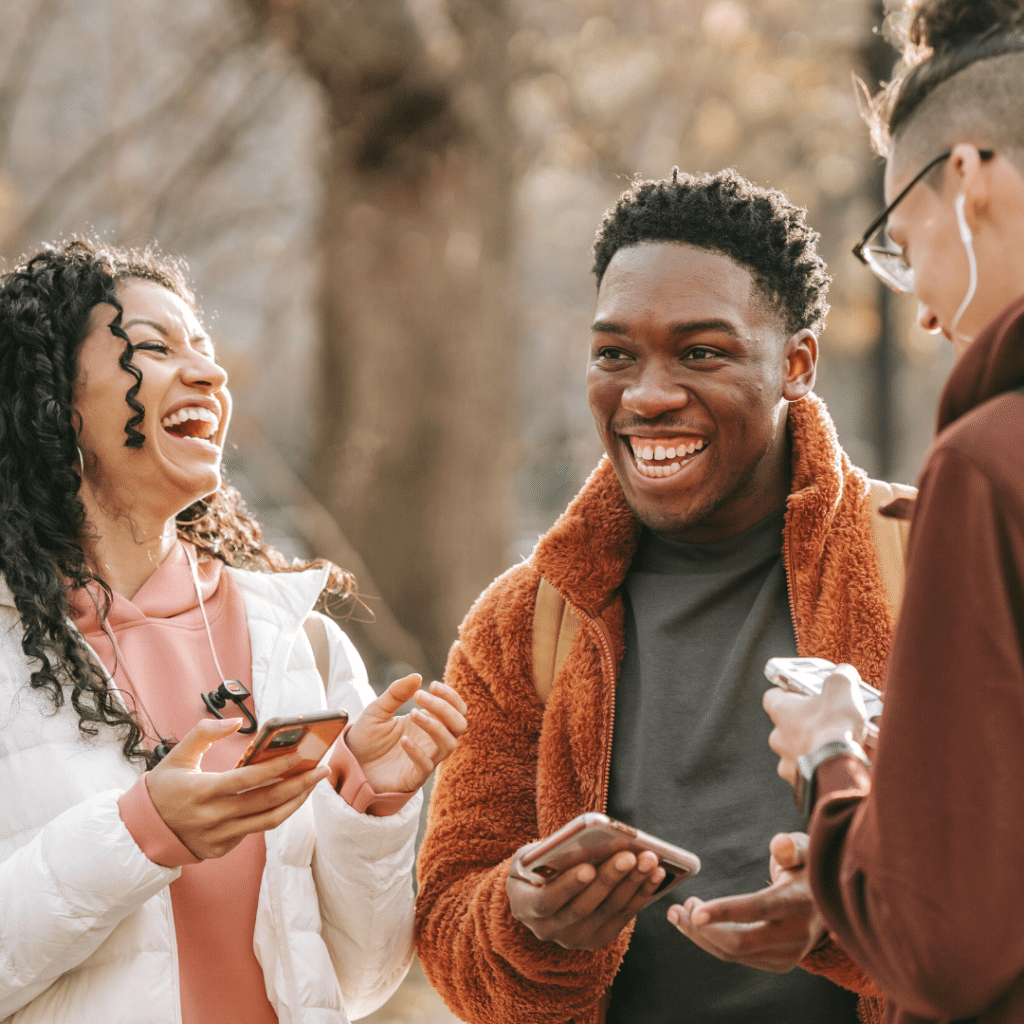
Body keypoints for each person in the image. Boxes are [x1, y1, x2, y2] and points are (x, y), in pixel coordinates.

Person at [415, 169, 906, 1024]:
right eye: (615, 354)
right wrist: (527, 919)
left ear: (796, 364)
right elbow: (450, 929)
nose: (646, 395)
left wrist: (848, 911)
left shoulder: (931, 558)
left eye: (701, 352)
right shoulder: (522, 624)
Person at [0, 238, 467, 1024]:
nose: (211, 376)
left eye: (206, 352)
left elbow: (361, 978)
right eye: (149, 348)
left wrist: (369, 807)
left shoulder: (301, 643)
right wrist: (139, 834)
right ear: (51, 399)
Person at [763, 1, 1024, 1021]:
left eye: (903, 243)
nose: (918, 307)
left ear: (969, 176)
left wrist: (834, 754)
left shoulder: (987, 465)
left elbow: (943, 944)